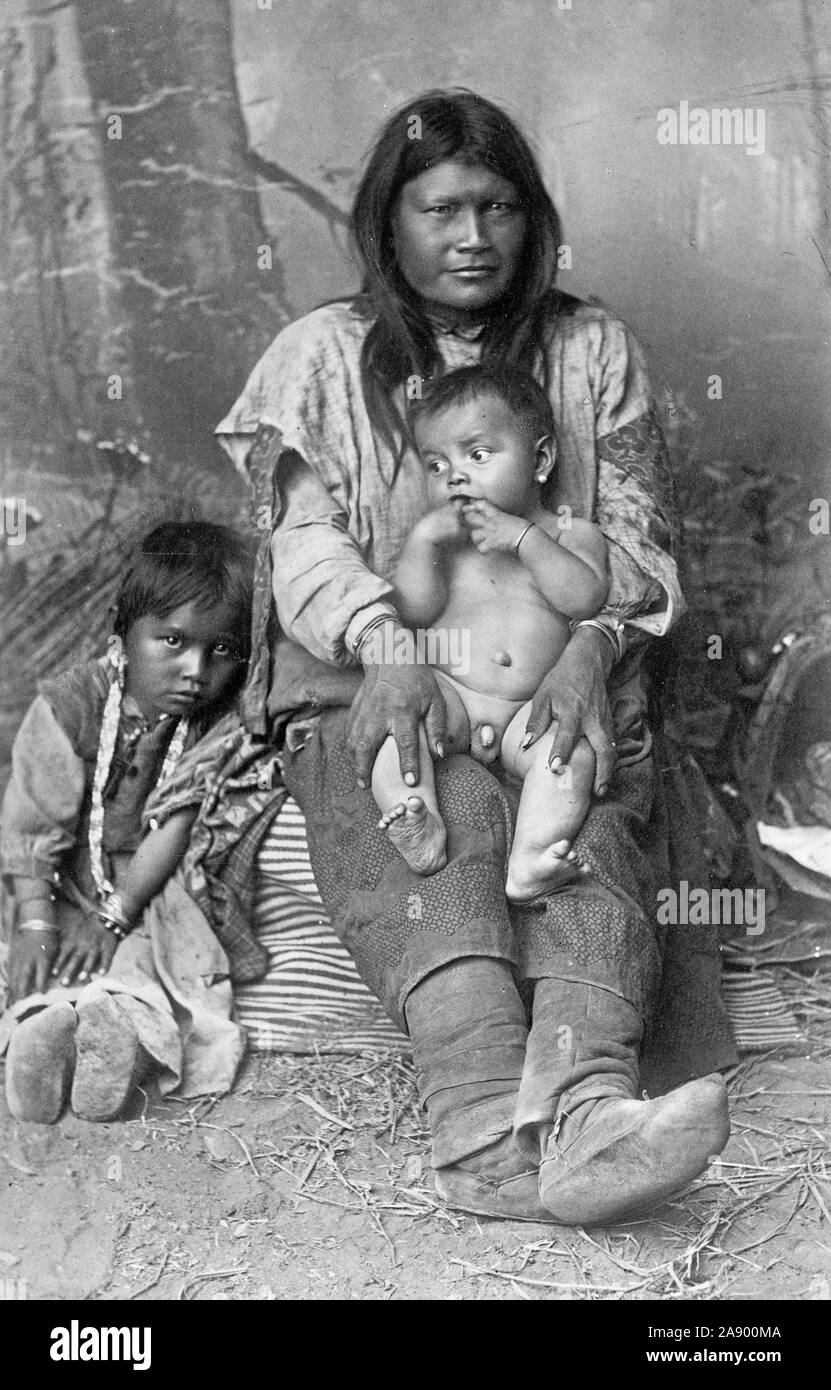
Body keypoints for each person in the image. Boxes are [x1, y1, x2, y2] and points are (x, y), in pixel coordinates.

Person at [217, 89, 734, 1225]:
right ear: (386, 222)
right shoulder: (320, 357)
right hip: (377, 680)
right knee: (434, 807)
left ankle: (591, 1110)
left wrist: (593, 653)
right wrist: (390, 646)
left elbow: (640, 540)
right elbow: (301, 550)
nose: (472, 236)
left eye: (499, 206)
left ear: (532, 216)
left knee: (581, 810)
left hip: (553, 670)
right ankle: (483, 1126)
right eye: (441, 207)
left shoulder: (589, 349)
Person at [0, 521, 253, 1124]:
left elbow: (176, 825)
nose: (195, 670)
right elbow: (34, 815)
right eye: (172, 641)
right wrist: (36, 918)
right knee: (35, 956)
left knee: (147, 965)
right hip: (58, 879)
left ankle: (117, 1038)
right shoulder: (71, 703)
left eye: (220, 650)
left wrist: (116, 918)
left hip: (146, 888)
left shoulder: (214, 725)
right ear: (123, 629)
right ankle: (40, 1036)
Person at [372, 364, 606, 901]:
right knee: (398, 723)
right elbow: (411, 610)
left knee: (569, 753)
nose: (454, 476)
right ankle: (418, 820)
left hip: (530, 710)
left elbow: (584, 598)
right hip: (453, 699)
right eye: (436, 464)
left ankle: (531, 859)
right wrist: (422, 546)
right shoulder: (444, 542)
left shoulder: (572, 534)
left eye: (477, 456)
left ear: (540, 460)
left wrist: (524, 538)